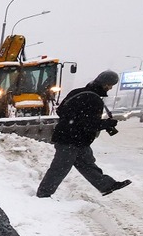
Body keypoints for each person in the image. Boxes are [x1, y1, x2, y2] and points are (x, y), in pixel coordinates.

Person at [36, 70, 131, 198]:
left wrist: (72, 120)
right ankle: (44, 193)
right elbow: (90, 124)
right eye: (109, 85)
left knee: (87, 164)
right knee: (60, 167)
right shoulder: (93, 99)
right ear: (103, 83)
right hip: (71, 140)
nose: (110, 88)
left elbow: (60, 111)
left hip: (73, 138)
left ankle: (106, 185)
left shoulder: (77, 92)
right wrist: (106, 124)